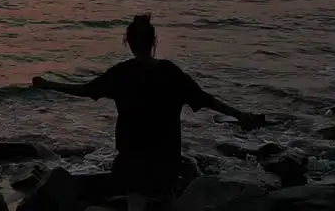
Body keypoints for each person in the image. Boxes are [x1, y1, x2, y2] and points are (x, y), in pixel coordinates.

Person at [32, 14, 264, 206]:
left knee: (136, 201)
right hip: (166, 158)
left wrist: (49, 84)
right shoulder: (171, 72)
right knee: (168, 198)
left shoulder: (121, 74)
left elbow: (84, 90)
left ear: (128, 43)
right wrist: (239, 115)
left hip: (133, 158)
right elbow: (206, 100)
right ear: (153, 42)